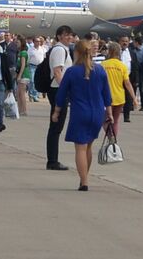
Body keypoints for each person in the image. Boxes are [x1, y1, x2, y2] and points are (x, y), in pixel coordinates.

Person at [53, 39, 112, 191]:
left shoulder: (72, 71)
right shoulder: (100, 70)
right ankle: (84, 177)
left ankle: (84, 181)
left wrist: (57, 111)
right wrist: (109, 113)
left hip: (80, 112)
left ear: (77, 53)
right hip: (97, 113)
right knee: (88, 146)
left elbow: (61, 93)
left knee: (80, 148)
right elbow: (107, 94)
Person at [44, 26, 76, 170]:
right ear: (59, 36)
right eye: (66, 35)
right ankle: (52, 160)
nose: (69, 37)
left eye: (71, 35)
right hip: (57, 90)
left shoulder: (63, 49)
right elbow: (57, 72)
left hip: (59, 89)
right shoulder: (59, 50)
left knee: (56, 127)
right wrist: (65, 90)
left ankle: (53, 159)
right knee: (56, 126)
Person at [103, 41, 134, 139]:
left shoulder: (103, 65)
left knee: (105, 120)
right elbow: (127, 83)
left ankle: (110, 137)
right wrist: (134, 98)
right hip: (119, 97)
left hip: (106, 97)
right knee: (115, 121)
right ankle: (114, 139)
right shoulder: (122, 66)